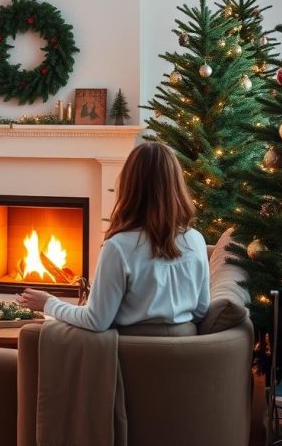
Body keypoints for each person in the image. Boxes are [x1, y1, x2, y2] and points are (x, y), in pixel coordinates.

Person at [19, 141, 209, 333]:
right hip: (185, 355)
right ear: (176, 184)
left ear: (129, 185)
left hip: (132, 355)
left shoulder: (119, 246)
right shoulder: (196, 240)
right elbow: (201, 311)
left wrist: (49, 303)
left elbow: (96, 321)